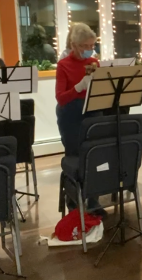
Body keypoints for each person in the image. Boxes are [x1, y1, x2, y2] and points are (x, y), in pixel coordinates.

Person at [55, 23, 105, 215]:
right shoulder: (63, 65)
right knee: (74, 157)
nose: (89, 50)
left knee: (94, 155)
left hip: (92, 112)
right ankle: (73, 200)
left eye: (92, 45)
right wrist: (79, 86)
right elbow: (61, 98)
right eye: (85, 46)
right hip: (71, 116)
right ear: (74, 45)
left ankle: (93, 199)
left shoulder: (94, 63)